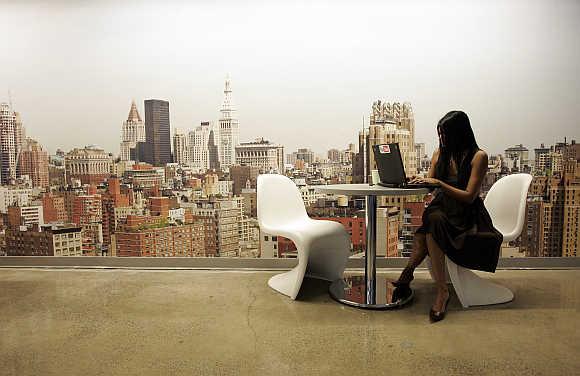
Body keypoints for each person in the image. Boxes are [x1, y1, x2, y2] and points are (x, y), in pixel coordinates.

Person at [393, 111, 503, 322]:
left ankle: (414, 276)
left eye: (445, 135)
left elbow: (470, 196)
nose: (442, 140)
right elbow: (430, 186)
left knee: (431, 223)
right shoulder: (439, 154)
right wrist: (417, 180)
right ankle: (439, 289)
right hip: (442, 207)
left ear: (459, 134)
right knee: (432, 218)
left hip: (466, 213)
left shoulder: (478, 156)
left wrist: (440, 184)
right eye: (440, 135)